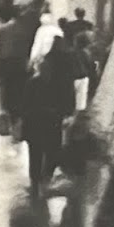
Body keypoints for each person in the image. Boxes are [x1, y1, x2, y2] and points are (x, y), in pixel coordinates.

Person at [23, 38, 77, 195]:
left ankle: (37, 181)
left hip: (38, 123)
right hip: (49, 122)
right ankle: (42, 179)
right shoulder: (60, 78)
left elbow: (26, 105)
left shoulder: (34, 82)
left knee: (37, 153)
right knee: (51, 150)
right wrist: (66, 111)